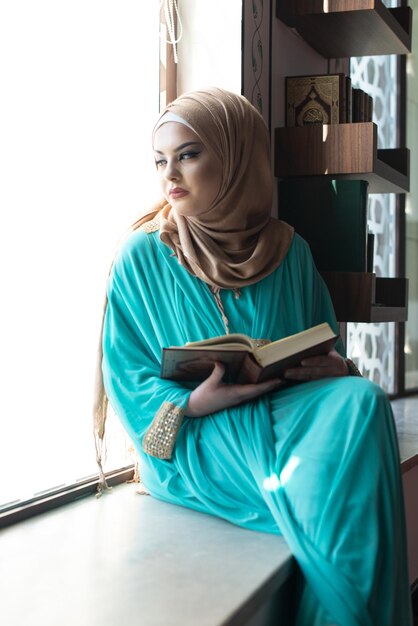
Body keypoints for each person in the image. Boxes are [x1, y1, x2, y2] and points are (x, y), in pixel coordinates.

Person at [98, 87, 412, 625]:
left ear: (238, 157)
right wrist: (195, 403)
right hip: (192, 434)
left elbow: (318, 346)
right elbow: (125, 378)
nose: (170, 174)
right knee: (340, 495)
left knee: (360, 401)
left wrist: (336, 368)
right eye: (160, 160)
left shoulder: (289, 251)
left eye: (189, 154)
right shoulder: (141, 256)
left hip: (279, 410)